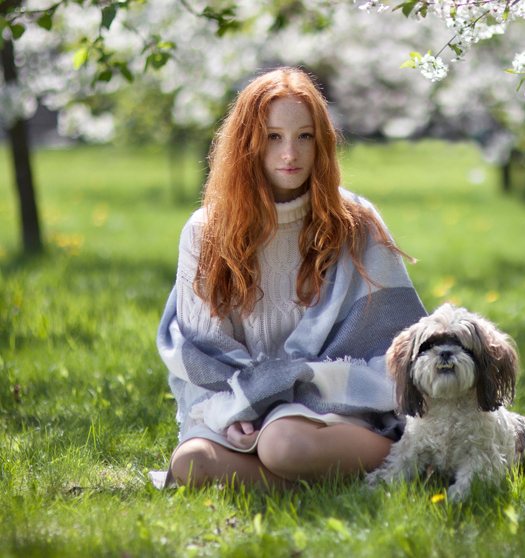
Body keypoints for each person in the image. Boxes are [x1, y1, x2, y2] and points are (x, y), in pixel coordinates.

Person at [155, 67, 426, 490]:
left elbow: (392, 343)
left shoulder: (354, 221)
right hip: (239, 398)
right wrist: (236, 411)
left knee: (283, 444)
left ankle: (421, 460)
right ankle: (322, 483)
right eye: (273, 137)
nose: (290, 154)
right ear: (248, 144)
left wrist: (277, 402)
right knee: (191, 462)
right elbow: (201, 349)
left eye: (305, 137)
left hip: (328, 401)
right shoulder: (205, 230)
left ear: (322, 143)